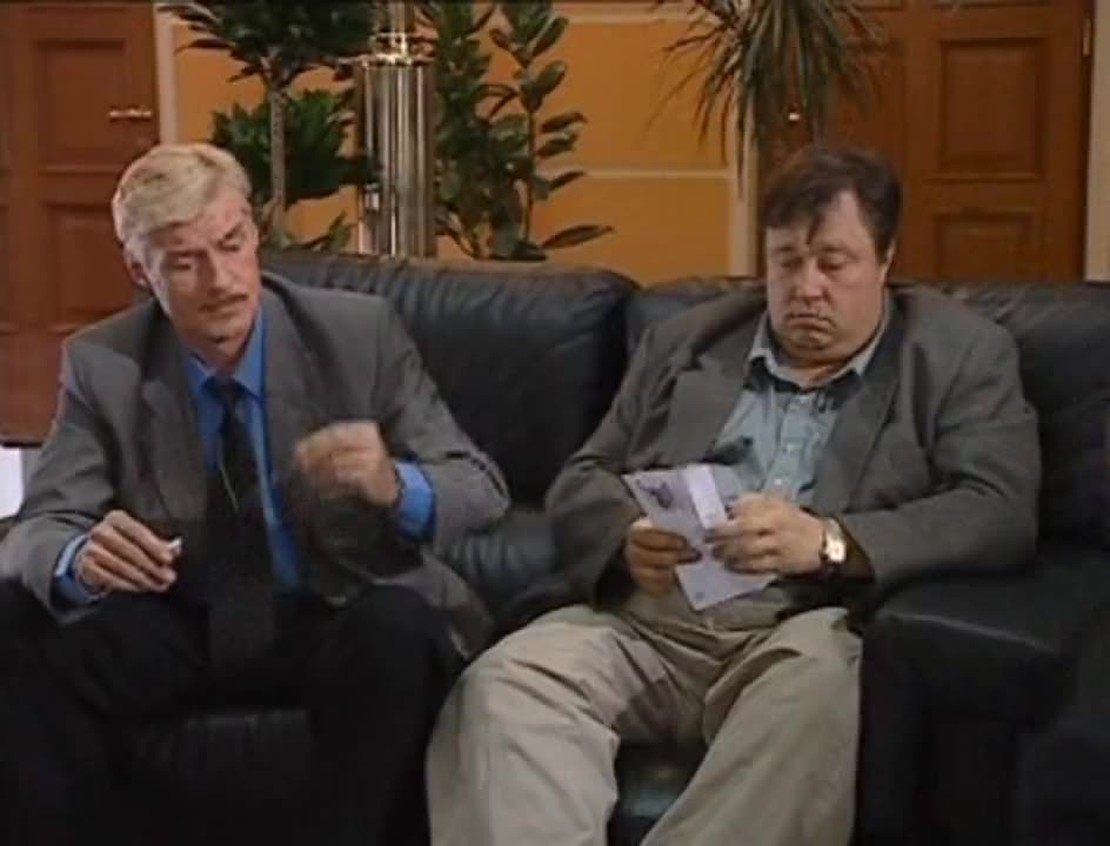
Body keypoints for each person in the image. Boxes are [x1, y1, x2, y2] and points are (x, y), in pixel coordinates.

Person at [427, 145, 1041, 845]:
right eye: (786, 262)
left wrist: (829, 541)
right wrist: (627, 537)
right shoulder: (687, 342)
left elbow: (997, 506)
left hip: (801, 623)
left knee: (819, 692)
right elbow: (583, 475)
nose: (806, 288)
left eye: (833, 264)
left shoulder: (959, 354)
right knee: (507, 685)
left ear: (885, 260)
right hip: (650, 619)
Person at [0, 142, 509, 845]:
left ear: (253, 233)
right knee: (14, 621)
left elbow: (480, 489)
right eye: (185, 261)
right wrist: (77, 558)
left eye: (232, 244)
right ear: (141, 271)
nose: (221, 281)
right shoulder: (104, 362)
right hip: (185, 612)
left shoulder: (357, 335)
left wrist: (396, 486)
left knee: (397, 631)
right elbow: (38, 525)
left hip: (334, 605)